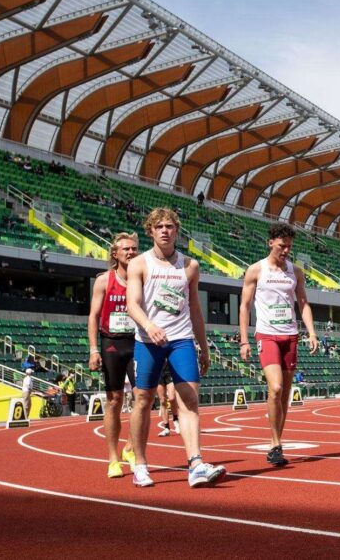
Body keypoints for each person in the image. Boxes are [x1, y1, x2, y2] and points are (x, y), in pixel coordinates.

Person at [125, 207, 225, 488]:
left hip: (181, 340)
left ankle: (195, 464)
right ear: (151, 231)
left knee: (190, 400)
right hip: (148, 341)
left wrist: (204, 347)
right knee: (143, 399)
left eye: (170, 226)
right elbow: (132, 304)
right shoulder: (139, 264)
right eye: (160, 227)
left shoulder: (190, 266)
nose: (165, 231)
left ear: (177, 231)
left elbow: (195, 309)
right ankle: (141, 464)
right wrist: (149, 326)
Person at [238, 223, 319, 467]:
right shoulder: (255, 270)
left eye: (289, 247)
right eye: (282, 246)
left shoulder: (295, 272)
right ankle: (275, 443)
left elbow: (303, 304)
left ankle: (277, 442)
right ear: (270, 243)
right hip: (267, 335)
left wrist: (312, 333)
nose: (285, 251)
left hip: (290, 335)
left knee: (284, 395)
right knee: (275, 387)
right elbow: (244, 306)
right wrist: (244, 340)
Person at [87, 232, 139, 476]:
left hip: (138, 342)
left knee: (143, 397)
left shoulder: (143, 279)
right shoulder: (104, 281)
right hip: (111, 344)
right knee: (114, 400)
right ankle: (112, 459)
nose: (130, 252)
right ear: (115, 253)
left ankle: (130, 447)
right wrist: (93, 349)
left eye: (134, 249)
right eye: (126, 249)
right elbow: (94, 316)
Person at [156, 363, 177, 436]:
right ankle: (166, 428)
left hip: (169, 371)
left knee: (172, 398)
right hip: (158, 372)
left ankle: (176, 419)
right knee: (162, 401)